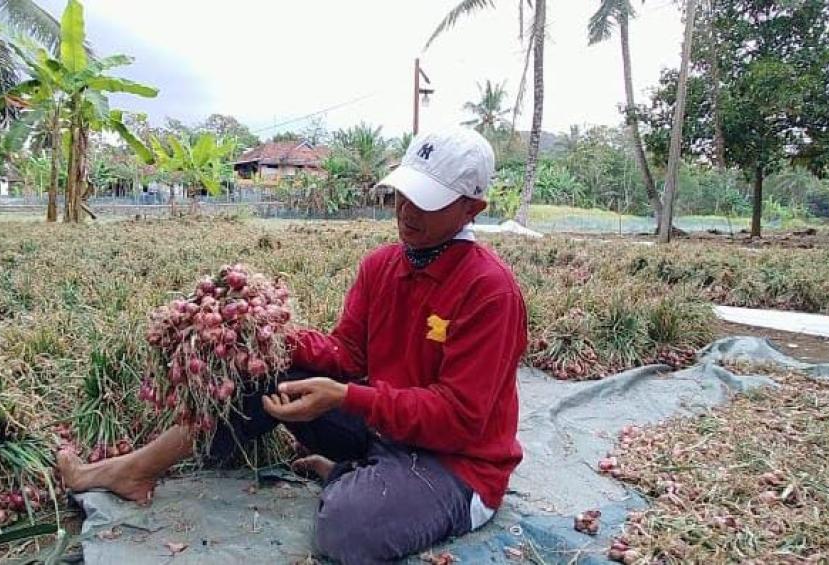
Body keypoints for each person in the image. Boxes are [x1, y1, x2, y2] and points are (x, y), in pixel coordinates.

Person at [58, 125, 528, 564]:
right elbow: (349, 355)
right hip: (384, 430)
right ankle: (135, 470)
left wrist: (347, 397)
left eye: (427, 201)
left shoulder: (490, 290)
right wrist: (266, 337)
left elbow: (460, 418)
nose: (406, 211)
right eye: (403, 194)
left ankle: (351, 479)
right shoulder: (381, 267)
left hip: (455, 466)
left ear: (472, 208)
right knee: (260, 376)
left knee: (345, 530)